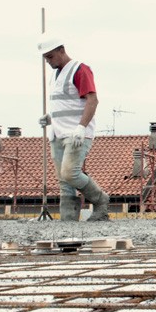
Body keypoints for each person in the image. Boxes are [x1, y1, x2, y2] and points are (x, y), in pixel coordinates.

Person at [37, 35, 110, 221]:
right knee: (64, 179)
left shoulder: (80, 70)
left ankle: (101, 200)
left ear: (61, 50)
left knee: (70, 173)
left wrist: (81, 127)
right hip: (57, 133)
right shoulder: (55, 75)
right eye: (46, 58)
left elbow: (92, 100)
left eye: (50, 57)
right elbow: (64, 104)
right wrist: (49, 118)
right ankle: (68, 219)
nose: (48, 61)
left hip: (76, 133)